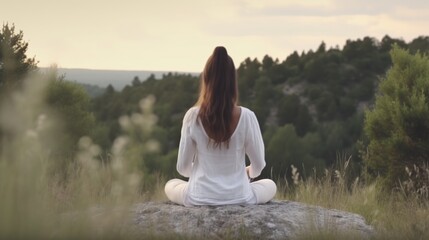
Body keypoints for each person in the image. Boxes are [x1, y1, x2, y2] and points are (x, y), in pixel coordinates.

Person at [164, 46, 276, 206]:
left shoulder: (192, 116)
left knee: (171, 184)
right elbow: (258, 166)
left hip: (198, 197)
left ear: (206, 79)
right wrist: (246, 173)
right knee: (270, 185)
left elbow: (183, 168)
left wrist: (203, 172)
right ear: (232, 82)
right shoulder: (247, 117)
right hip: (240, 197)